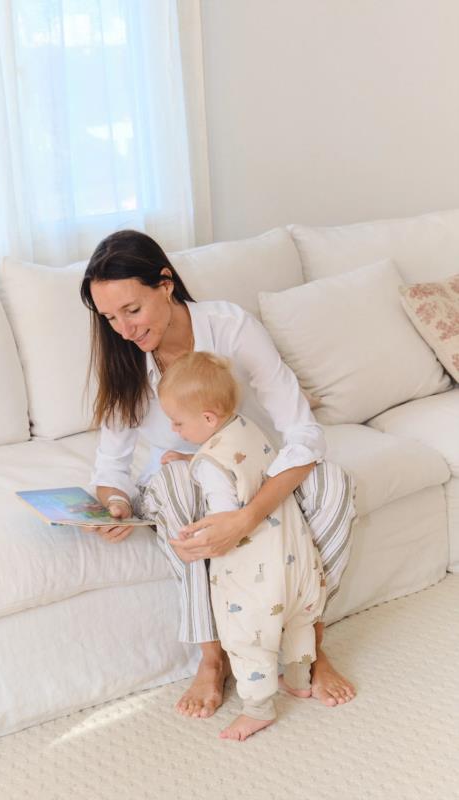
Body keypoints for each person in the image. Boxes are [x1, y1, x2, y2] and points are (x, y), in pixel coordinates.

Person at [79, 228, 357, 718]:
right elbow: (112, 466)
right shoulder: (124, 357)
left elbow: (304, 434)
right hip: (184, 480)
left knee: (333, 484)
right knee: (171, 483)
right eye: (109, 318)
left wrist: (247, 517)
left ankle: (309, 647)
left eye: (132, 310)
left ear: (166, 284)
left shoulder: (231, 327)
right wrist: (115, 504)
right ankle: (213, 659)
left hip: (257, 466)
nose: (123, 328)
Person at [157, 352, 327, 741]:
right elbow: (239, 462)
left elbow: (223, 522)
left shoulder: (209, 467)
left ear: (208, 419)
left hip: (255, 570)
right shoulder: (247, 427)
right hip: (295, 552)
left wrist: (188, 546)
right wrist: (193, 456)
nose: (173, 428)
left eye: (178, 422)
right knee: (298, 619)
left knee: (248, 636)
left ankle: (258, 709)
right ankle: (299, 680)